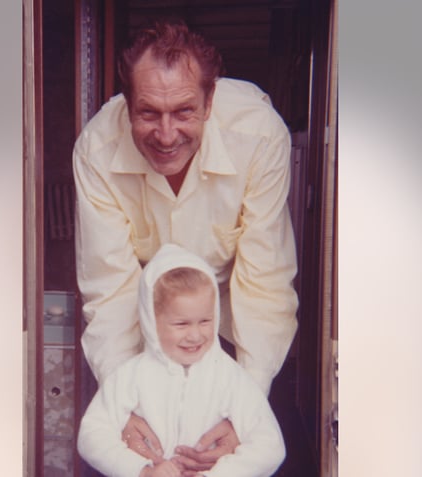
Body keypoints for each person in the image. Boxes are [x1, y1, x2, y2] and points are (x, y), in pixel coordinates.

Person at [74, 18, 298, 471]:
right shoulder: (96, 149)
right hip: (142, 320)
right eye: (148, 112)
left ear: (210, 101)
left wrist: (244, 407)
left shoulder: (259, 136)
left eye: (183, 112)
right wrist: (125, 406)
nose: (166, 134)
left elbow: (264, 281)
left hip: (231, 318)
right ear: (126, 105)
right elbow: (110, 288)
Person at [77, 244, 286, 477]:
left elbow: (270, 446)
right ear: (151, 321)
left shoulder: (231, 377)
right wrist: (141, 471)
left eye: (205, 321)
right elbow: (92, 435)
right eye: (181, 324)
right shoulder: (131, 375)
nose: (195, 335)